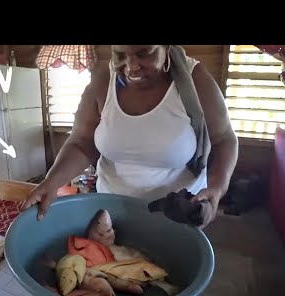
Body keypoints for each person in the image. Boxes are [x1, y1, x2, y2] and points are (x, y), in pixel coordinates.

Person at [21, 45, 239, 228]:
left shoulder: (195, 81)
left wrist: (217, 189)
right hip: (110, 212)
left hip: (177, 215)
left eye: (144, 53)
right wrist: (52, 181)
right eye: (120, 55)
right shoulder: (103, 82)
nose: (132, 66)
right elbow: (81, 142)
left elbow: (224, 140)